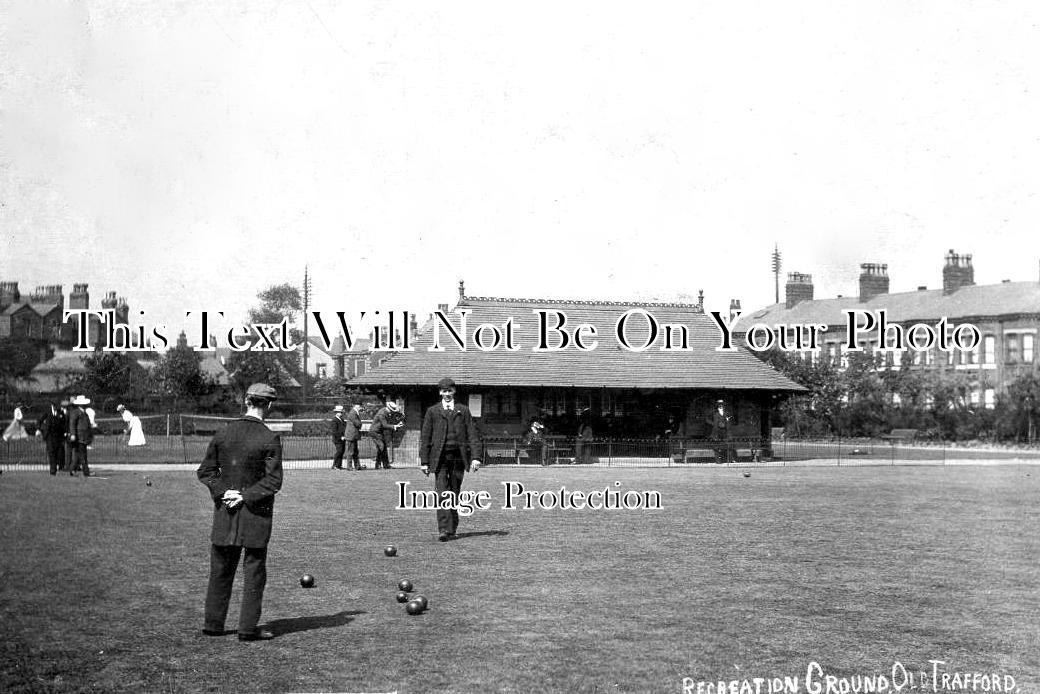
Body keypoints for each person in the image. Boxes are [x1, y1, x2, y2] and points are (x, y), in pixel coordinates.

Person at [196, 383, 283, 642]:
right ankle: (246, 629)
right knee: (254, 572)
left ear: (246, 401)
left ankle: (213, 625)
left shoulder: (223, 433)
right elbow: (273, 482)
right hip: (255, 515)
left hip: (226, 513)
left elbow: (206, 472)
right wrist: (244, 495)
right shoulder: (269, 438)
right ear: (269, 405)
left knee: (220, 570)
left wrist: (225, 492)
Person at [419, 377, 481, 542]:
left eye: (450, 391)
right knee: (442, 493)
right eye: (444, 391)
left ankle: (452, 528)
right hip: (439, 459)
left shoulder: (463, 410)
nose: (447, 394)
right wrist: (424, 461)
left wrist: (476, 457)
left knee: (454, 492)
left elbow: (472, 434)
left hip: (458, 459)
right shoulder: (432, 411)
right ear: (440, 392)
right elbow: (425, 438)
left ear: (454, 392)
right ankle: (444, 530)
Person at [370, 400, 403, 469]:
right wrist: (394, 426)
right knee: (381, 447)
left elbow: (389, 422)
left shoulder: (386, 412)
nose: (392, 412)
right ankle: (381, 465)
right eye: (392, 410)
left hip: (379, 431)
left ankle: (384, 465)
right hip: (375, 432)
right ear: (389, 408)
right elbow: (385, 425)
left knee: (382, 448)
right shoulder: (382, 413)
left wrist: (397, 422)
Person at [36, 402, 67, 475]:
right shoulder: (47, 412)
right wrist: (40, 429)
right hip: (49, 436)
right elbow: (39, 421)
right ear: (52, 406)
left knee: (58, 453)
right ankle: (53, 471)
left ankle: (59, 466)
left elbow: (64, 423)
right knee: (51, 452)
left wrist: (65, 431)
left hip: (58, 436)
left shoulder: (61, 412)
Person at [67, 395, 93, 477]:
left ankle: (72, 470)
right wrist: (73, 434)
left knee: (79, 456)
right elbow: (72, 424)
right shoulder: (76, 412)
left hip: (84, 437)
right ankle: (86, 472)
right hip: (79, 437)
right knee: (82, 456)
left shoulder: (84, 413)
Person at [709, 399, 733, 464]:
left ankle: (726, 460)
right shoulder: (713, 412)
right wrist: (714, 424)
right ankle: (718, 461)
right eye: (719, 405)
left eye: (722, 404)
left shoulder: (727, 412)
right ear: (717, 405)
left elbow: (730, 419)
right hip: (716, 432)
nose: (720, 406)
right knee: (717, 446)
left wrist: (727, 422)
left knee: (726, 445)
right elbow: (707, 419)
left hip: (725, 431)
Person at [344, 401, 363, 470]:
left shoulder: (354, 413)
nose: (361, 408)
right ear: (357, 406)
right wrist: (360, 424)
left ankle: (357, 466)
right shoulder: (353, 413)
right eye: (360, 407)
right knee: (351, 452)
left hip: (353, 435)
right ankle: (349, 466)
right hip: (351, 435)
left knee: (355, 451)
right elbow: (357, 424)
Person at [329, 405, 347, 470]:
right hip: (337, 439)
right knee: (339, 451)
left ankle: (339, 465)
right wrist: (340, 437)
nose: (341, 413)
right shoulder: (334, 420)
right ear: (336, 412)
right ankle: (335, 465)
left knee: (342, 451)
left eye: (341, 412)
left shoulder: (342, 420)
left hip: (343, 438)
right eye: (340, 412)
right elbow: (334, 431)